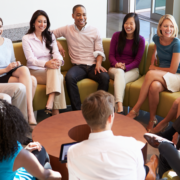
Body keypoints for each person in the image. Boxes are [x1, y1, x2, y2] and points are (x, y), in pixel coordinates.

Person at [67, 90, 158, 180]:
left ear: (86, 119)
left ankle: (150, 166)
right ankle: (151, 167)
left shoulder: (73, 152)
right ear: (110, 117)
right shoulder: (131, 145)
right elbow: (139, 177)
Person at [127, 14, 180, 132]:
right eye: (165, 26)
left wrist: (155, 69)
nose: (168, 29)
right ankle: (152, 119)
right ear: (160, 27)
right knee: (154, 87)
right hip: (162, 76)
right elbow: (155, 51)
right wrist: (154, 57)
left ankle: (135, 110)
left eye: (171, 26)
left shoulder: (176, 43)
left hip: (176, 76)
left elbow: (172, 70)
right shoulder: (157, 38)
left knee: (150, 74)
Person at [53, 4, 110, 110]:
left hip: (93, 65)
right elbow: (49, 34)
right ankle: (77, 110)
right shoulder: (67, 29)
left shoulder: (94, 30)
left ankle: (98, 108)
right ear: (73, 16)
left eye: (84, 15)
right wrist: (57, 42)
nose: (81, 17)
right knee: (69, 77)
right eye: (78, 15)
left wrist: (98, 64)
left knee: (105, 77)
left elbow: (99, 51)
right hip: (78, 66)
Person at [0, 99, 61, 180]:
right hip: (20, 174)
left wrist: (25, 151)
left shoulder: (19, 153)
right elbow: (45, 175)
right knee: (41, 153)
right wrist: (61, 174)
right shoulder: (15, 152)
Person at [22, 10, 66, 116]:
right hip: (35, 71)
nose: (43, 25)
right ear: (33, 23)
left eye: (45, 22)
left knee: (54, 67)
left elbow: (56, 53)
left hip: (50, 69)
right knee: (59, 77)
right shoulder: (26, 38)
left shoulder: (50, 35)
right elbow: (30, 59)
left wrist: (59, 60)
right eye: (39, 21)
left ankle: (50, 106)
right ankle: (55, 111)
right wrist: (46, 64)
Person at [0, 17, 37, 125]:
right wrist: (6, 69)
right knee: (32, 80)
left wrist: (16, 64)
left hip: (9, 72)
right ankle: (26, 119)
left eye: (0, 26)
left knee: (25, 70)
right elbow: (6, 68)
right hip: (1, 75)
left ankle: (28, 115)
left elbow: (12, 60)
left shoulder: (7, 41)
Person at [108, 13, 145, 114]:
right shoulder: (116, 36)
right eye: (126, 23)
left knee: (119, 79)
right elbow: (111, 55)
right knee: (119, 73)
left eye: (131, 24)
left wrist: (125, 67)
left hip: (132, 70)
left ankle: (116, 109)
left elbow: (137, 61)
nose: (128, 26)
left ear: (136, 25)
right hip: (114, 69)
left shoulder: (141, 40)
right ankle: (120, 105)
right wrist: (116, 64)